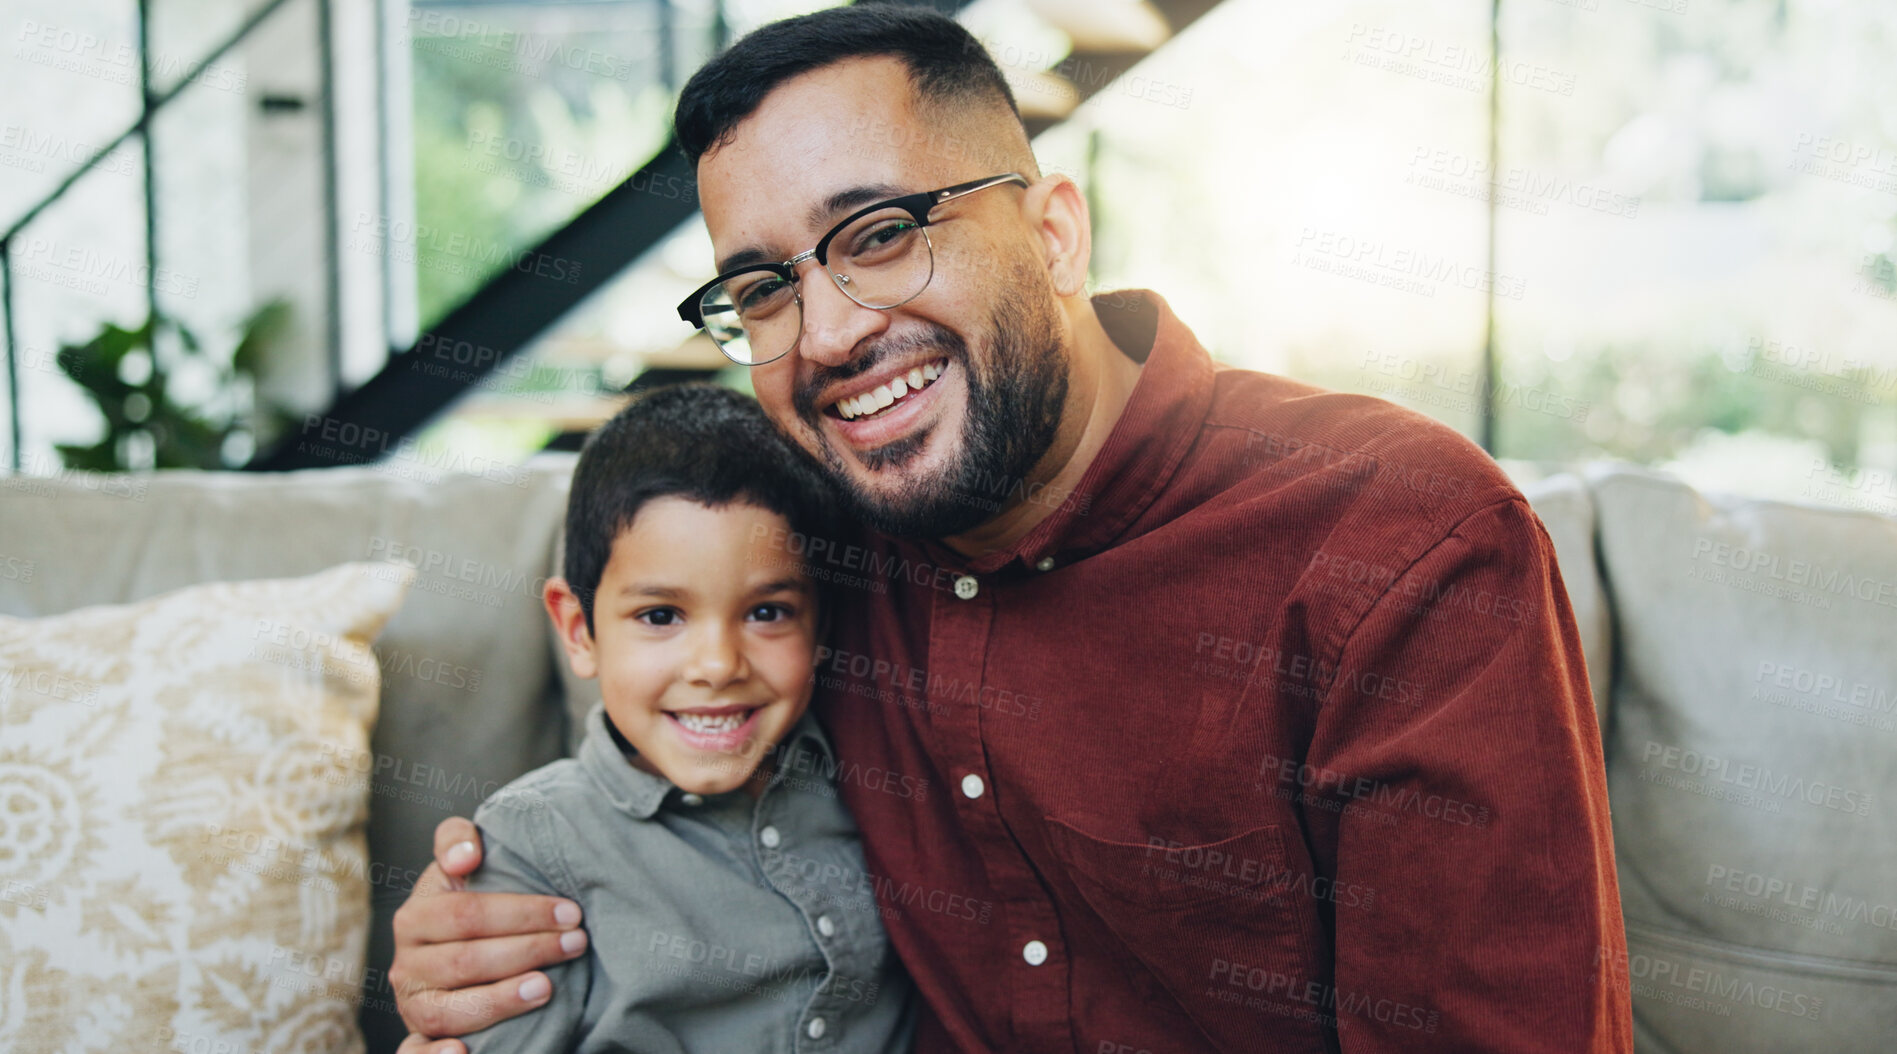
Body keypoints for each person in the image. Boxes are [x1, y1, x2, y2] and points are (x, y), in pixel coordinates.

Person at [391, 7, 1632, 1052]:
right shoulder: (810, 553)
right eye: (764, 286)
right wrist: (485, 926)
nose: (826, 333)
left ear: (1053, 235)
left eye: (880, 234)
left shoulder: (1401, 542)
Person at [454, 382, 914, 1053]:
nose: (717, 664)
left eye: (766, 612)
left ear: (820, 627)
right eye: (660, 616)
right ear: (578, 630)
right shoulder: (531, 844)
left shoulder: (868, 774)